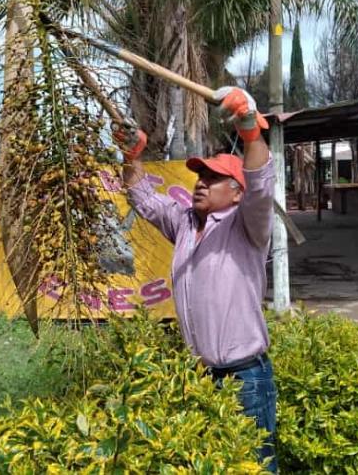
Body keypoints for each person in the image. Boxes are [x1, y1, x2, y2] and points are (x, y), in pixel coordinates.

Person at [115, 86, 277, 472]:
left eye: (214, 177)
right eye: (200, 175)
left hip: (245, 381)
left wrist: (251, 130)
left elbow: (260, 183)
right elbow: (142, 196)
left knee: (254, 468)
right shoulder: (185, 223)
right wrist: (131, 154)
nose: (201, 182)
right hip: (201, 377)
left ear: (237, 193)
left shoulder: (248, 226)